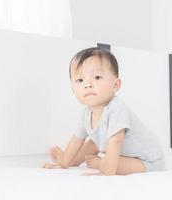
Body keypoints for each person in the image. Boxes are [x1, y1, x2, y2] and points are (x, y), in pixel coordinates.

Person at [42, 47, 165, 176]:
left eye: (97, 77)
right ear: (73, 90)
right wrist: (62, 164)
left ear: (115, 85)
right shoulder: (86, 113)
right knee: (92, 143)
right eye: (80, 80)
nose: (88, 84)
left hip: (147, 161)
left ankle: (101, 163)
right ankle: (69, 161)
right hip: (118, 148)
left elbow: (116, 141)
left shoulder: (116, 108)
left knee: (109, 154)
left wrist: (104, 169)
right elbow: (76, 140)